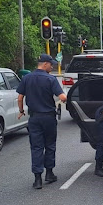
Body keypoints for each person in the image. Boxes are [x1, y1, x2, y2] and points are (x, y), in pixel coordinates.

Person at [17, 54, 67, 189]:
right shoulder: (50, 79)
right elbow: (62, 96)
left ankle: (37, 179)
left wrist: (21, 111)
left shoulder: (26, 78)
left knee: (36, 147)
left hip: (34, 118)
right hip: (48, 118)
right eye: (51, 64)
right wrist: (65, 99)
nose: (52, 67)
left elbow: (20, 97)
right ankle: (49, 174)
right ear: (45, 64)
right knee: (50, 145)